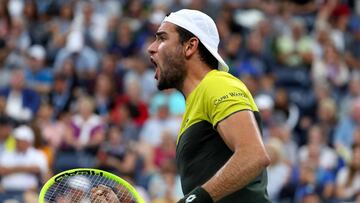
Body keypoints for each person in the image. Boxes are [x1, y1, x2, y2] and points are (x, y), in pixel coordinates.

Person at [147, 9, 271, 202]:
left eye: (162, 39)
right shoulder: (194, 105)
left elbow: (253, 155)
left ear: (190, 46)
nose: (151, 48)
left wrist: (195, 199)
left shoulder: (216, 83)